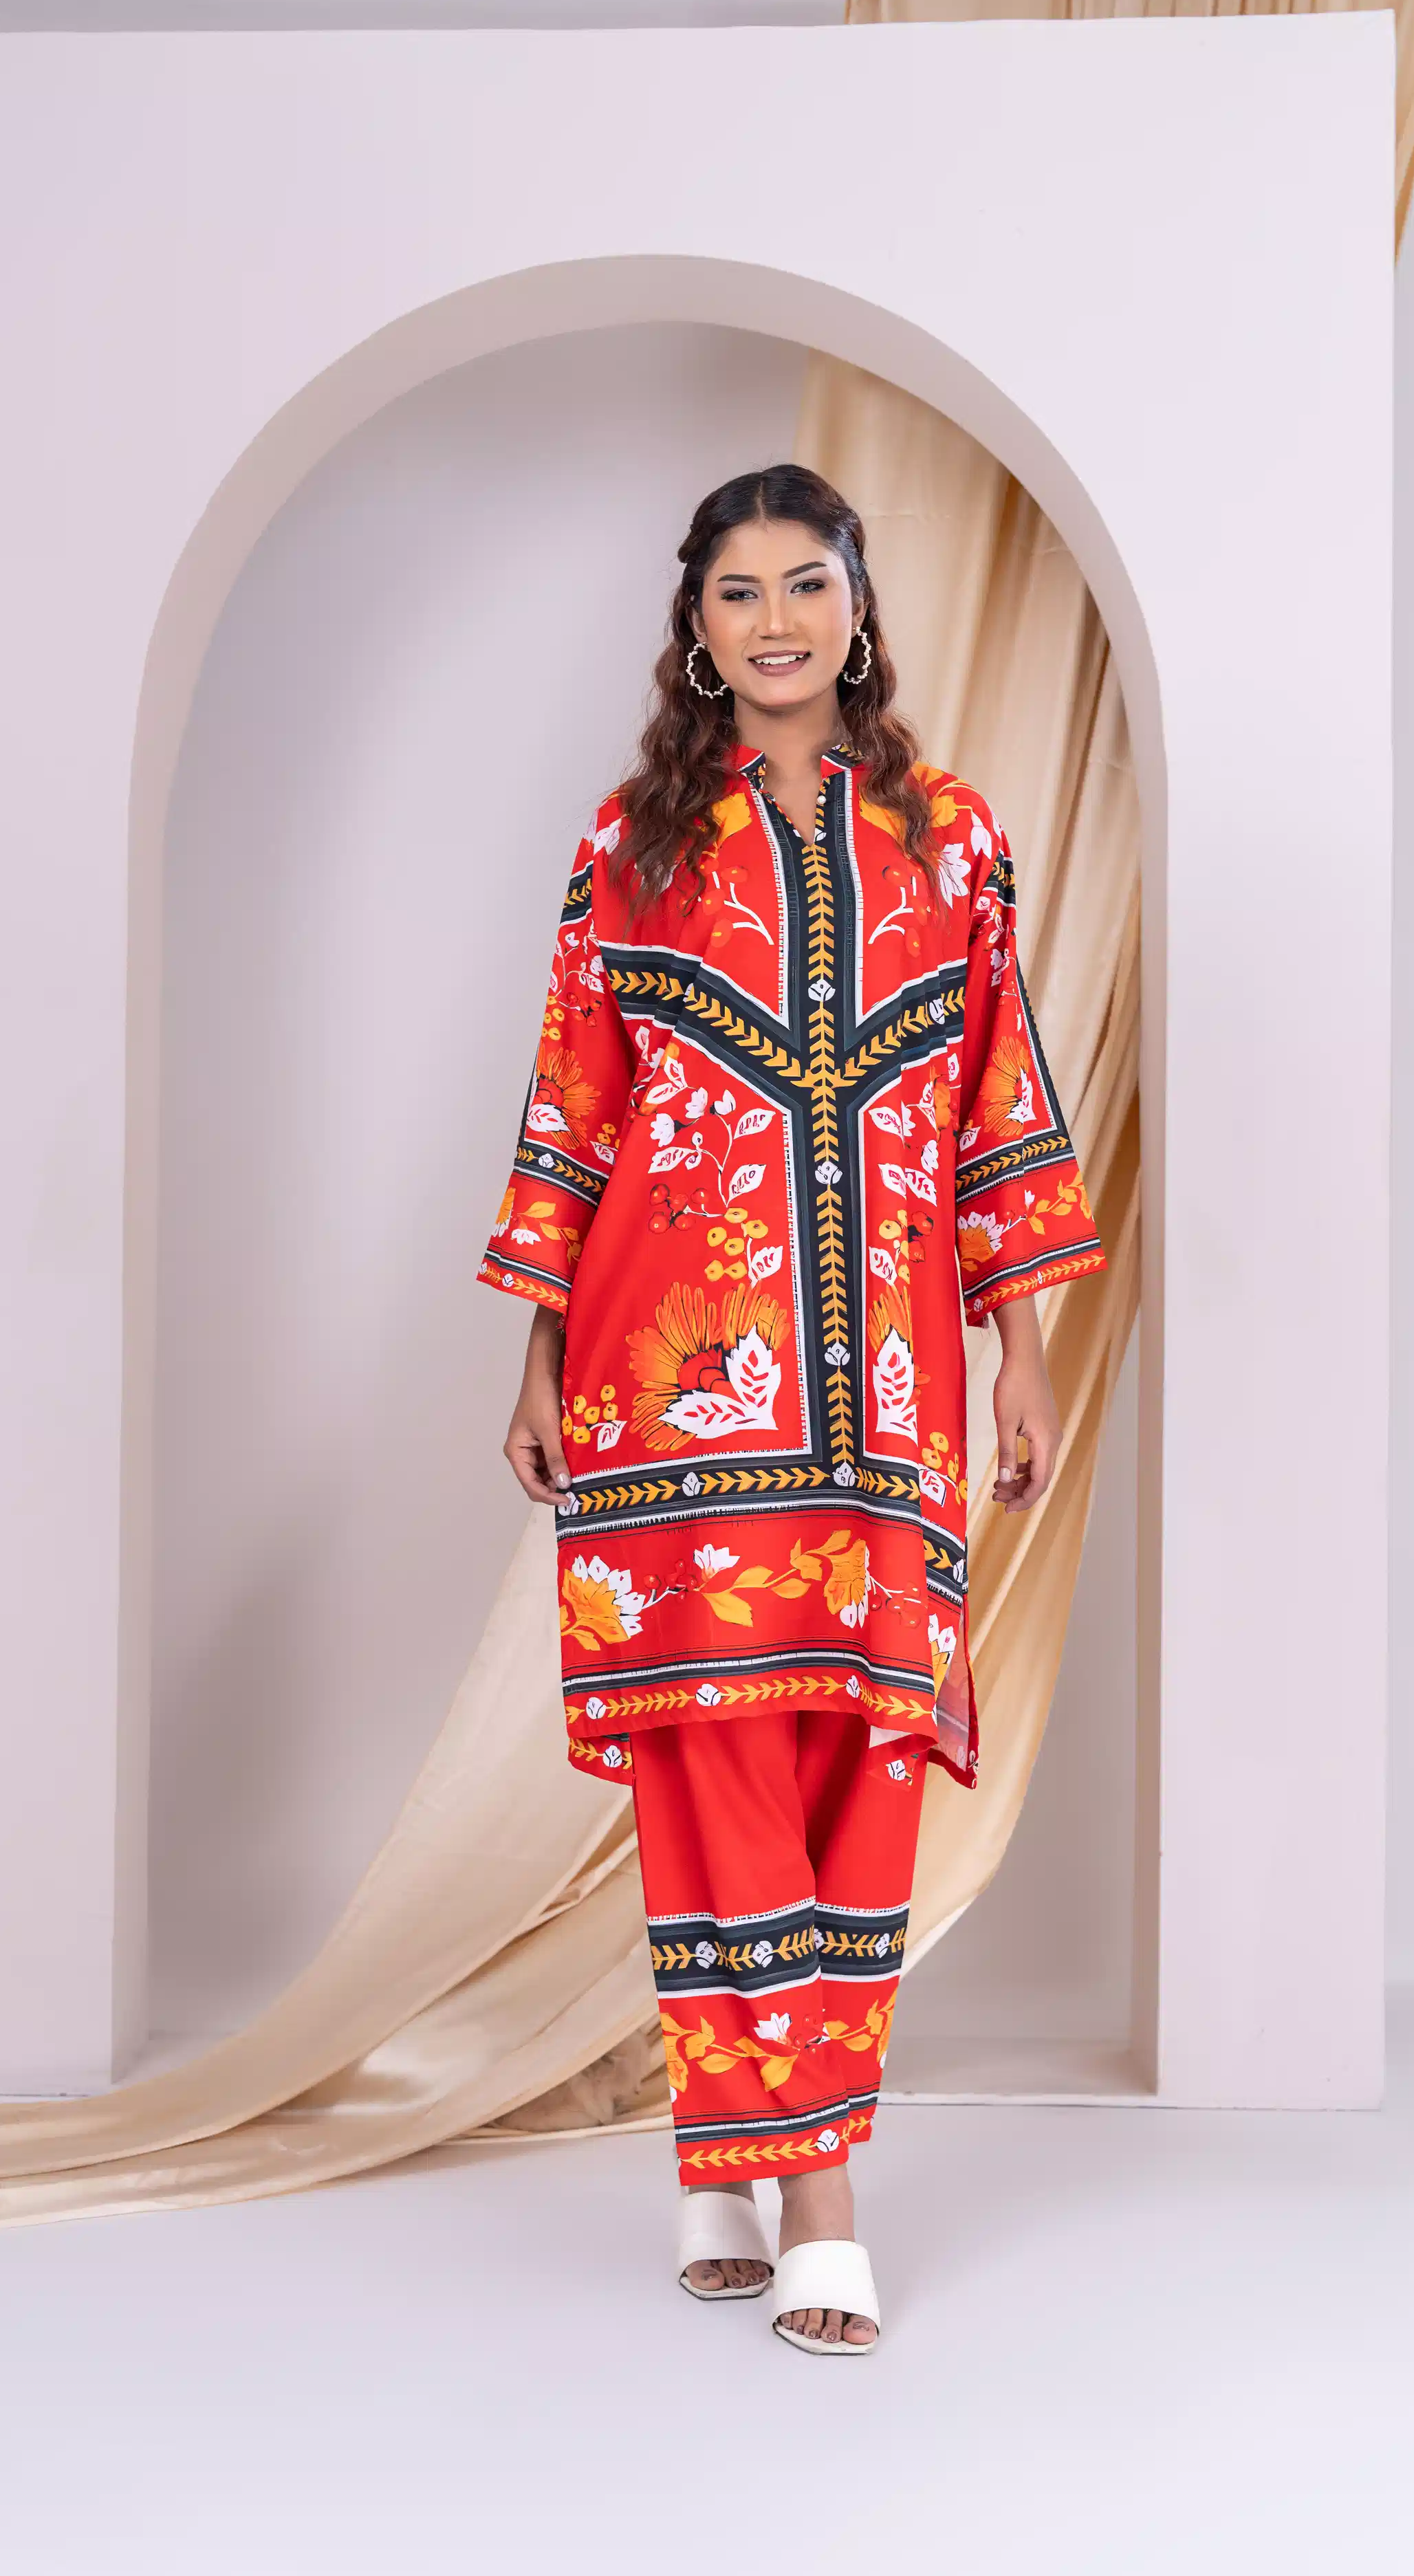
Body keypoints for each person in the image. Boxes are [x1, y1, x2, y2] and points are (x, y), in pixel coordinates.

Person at [477, 463, 1104, 2354]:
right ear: (695, 624)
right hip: (668, 1379)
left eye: (805, 584)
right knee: (714, 1757)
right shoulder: (631, 845)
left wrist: (1024, 1348)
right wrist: (534, 1356)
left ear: (856, 605)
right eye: (738, 592)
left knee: (860, 1755)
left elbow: (996, 1100)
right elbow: (575, 1102)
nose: (774, 621)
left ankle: (731, 2150)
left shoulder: (952, 840)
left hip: (892, 1384)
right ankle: (809, 2189)